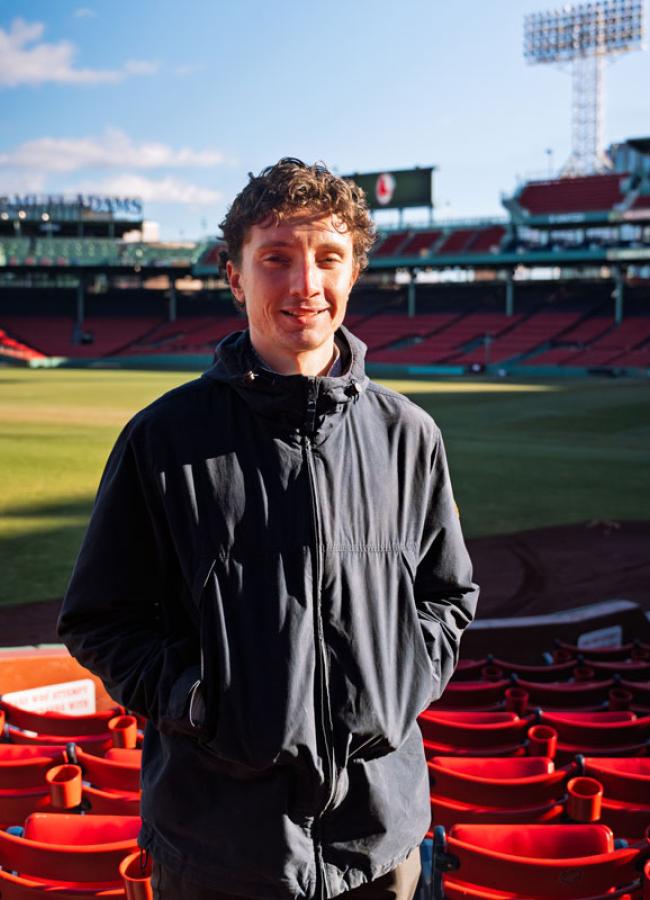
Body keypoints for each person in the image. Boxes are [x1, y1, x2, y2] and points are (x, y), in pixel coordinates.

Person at [58, 158, 479, 900]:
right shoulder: (161, 440)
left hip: (381, 839)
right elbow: (99, 619)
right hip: (217, 845)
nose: (304, 284)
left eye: (328, 259)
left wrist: (397, 685)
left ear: (353, 274)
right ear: (234, 274)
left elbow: (448, 597)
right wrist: (198, 699)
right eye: (276, 259)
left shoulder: (410, 436)